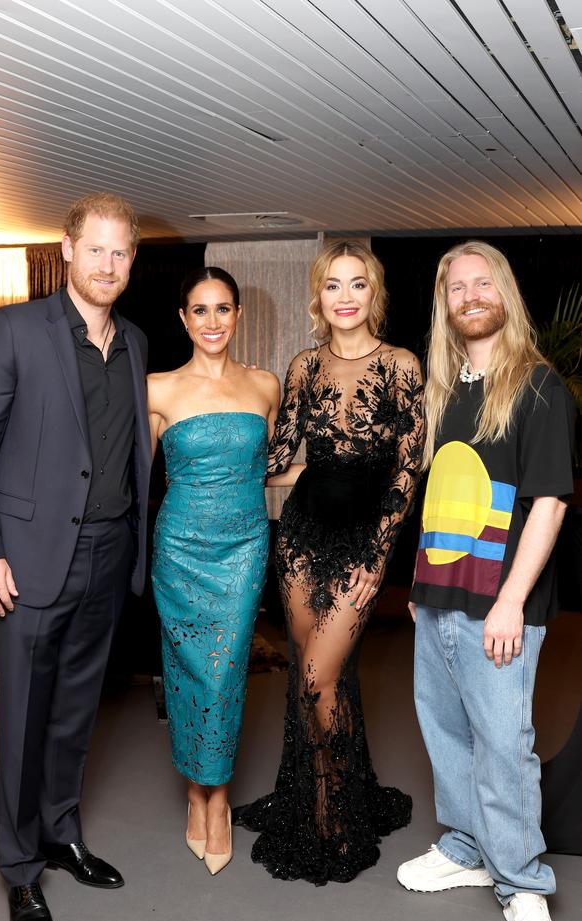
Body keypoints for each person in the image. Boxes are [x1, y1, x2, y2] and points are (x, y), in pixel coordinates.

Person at [0, 192, 151, 921]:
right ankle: (19, 869)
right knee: (24, 721)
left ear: (132, 259)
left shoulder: (133, 340)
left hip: (106, 555)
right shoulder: (15, 329)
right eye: (95, 248)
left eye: (121, 251)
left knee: (76, 714)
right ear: (66, 249)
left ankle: (62, 833)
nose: (108, 263)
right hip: (29, 563)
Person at [397, 241, 576, 921]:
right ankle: (469, 847)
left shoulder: (536, 386)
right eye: (455, 287)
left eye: (481, 283)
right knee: (446, 733)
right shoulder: (447, 389)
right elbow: (446, 495)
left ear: (503, 291)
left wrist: (510, 601)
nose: (469, 295)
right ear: (445, 304)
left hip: (499, 606)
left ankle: (524, 886)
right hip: (438, 595)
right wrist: (418, 584)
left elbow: (550, 504)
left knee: (504, 745)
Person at [234, 239, 425, 884]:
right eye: (333, 285)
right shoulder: (303, 367)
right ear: (317, 296)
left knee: (318, 676)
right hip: (301, 536)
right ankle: (319, 796)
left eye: (358, 284)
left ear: (375, 293)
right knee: (317, 679)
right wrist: (224, 444)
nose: (345, 297)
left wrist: (379, 557)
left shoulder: (402, 366)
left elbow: (406, 472)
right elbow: (284, 455)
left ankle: (334, 811)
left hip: (361, 546)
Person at [148, 266, 282, 875]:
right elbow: (133, 476)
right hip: (179, 548)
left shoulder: (264, 386)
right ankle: (194, 791)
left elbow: (266, 468)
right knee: (186, 670)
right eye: (199, 310)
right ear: (183, 318)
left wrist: (336, 476)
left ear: (238, 315)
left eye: (223, 309)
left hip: (245, 545)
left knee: (225, 670)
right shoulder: (156, 390)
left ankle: (217, 798)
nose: (212, 322)